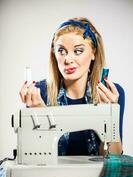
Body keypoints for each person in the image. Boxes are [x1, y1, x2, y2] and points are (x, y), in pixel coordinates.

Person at [20, 17, 125, 156]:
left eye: (78, 51)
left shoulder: (111, 93)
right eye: (61, 51)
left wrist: (110, 115)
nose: (67, 60)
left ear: (93, 53)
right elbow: (36, 159)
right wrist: (40, 114)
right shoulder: (40, 94)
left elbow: (114, 160)